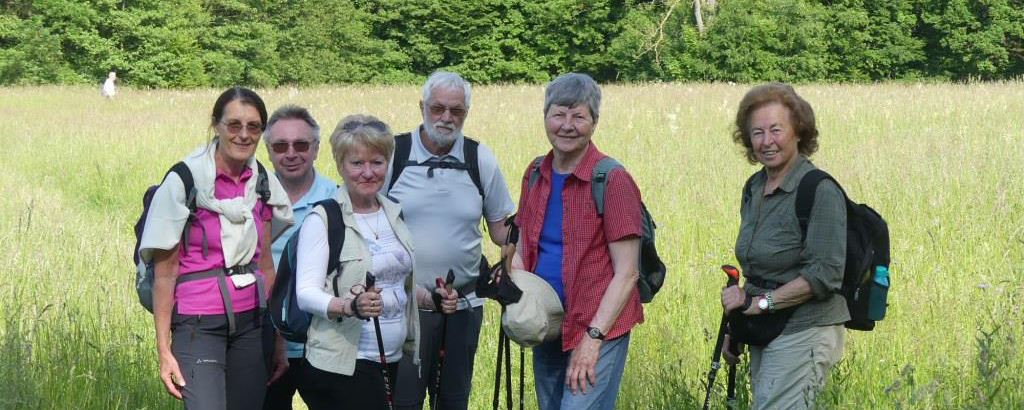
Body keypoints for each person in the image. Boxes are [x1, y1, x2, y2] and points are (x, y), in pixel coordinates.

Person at [139, 87, 294, 409]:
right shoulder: (185, 180)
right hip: (197, 324)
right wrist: (163, 350)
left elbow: (265, 265)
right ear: (216, 125)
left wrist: (278, 337)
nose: (243, 134)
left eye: (253, 126)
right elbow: (165, 274)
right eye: (234, 125)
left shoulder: (261, 181)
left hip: (253, 321)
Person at [294, 115, 457, 410]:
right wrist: (350, 307)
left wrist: (432, 299)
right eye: (357, 163)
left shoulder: (393, 213)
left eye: (377, 162)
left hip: (390, 356)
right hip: (342, 364)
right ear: (341, 165)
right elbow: (305, 293)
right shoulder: (324, 218)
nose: (367, 172)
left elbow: (396, 283)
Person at [511, 73, 644, 410]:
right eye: (558, 114)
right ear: (545, 118)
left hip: (597, 325)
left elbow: (627, 273)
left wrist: (593, 339)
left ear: (594, 123)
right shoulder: (535, 173)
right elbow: (523, 246)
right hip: (548, 322)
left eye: (578, 116)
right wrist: (520, 299)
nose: (567, 125)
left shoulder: (612, 179)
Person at [389, 70, 516, 410]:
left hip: (463, 304)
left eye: (456, 111)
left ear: (466, 114)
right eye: (438, 108)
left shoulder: (479, 158)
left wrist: (521, 253)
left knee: (453, 401)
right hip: (402, 306)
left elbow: (501, 230)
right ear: (422, 107)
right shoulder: (393, 154)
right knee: (403, 402)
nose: (446, 118)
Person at [721, 83, 847, 410]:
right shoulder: (754, 186)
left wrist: (759, 304)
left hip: (806, 328)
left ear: (798, 132)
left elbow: (825, 274)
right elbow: (756, 267)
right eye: (757, 132)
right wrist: (737, 324)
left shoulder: (819, 190)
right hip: (767, 328)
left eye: (776, 130)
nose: (766, 141)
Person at [260, 105, 337, 410]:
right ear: (268, 151)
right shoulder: (251, 201)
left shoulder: (337, 200)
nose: (291, 153)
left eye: (301, 145)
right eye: (280, 146)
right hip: (264, 343)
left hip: (322, 343)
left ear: (316, 149)